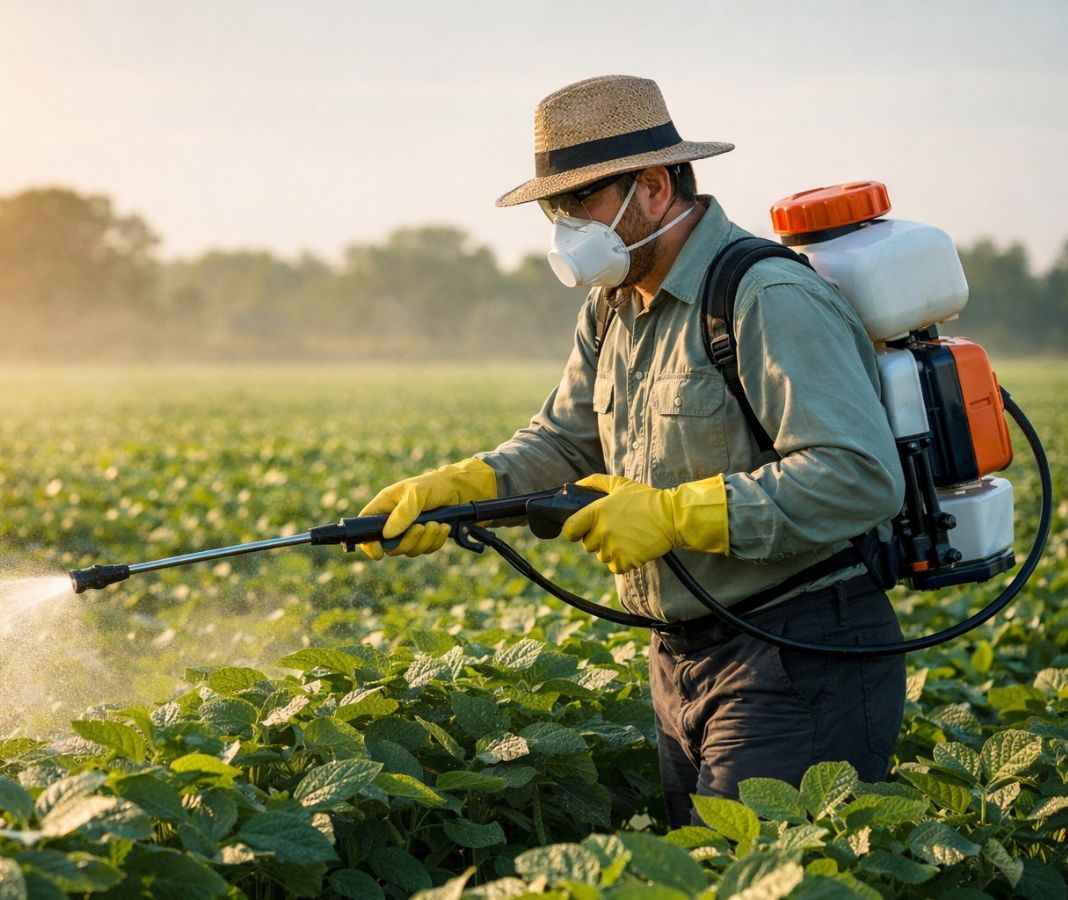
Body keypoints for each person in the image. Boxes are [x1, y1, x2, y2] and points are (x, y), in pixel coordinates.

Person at [359, 75, 908, 826]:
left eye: (578, 203)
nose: (563, 229)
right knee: (694, 870)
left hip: (799, 648)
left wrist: (679, 514)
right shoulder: (612, 307)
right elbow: (564, 436)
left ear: (652, 187)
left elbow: (860, 477)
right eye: (555, 210)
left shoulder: (765, 296)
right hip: (679, 658)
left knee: (749, 877)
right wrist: (467, 485)